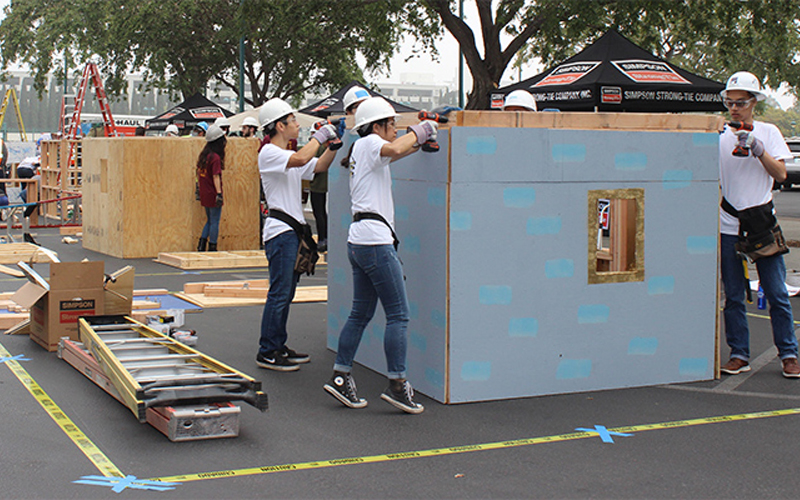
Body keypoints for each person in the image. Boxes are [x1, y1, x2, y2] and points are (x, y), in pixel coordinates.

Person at [322, 97, 437, 414]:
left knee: (360, 314)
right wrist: (422, 128)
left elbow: (400, 152)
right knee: (398, 315)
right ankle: (398, 385)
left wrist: (420, 140)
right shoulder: (371, 143)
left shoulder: (365, 150)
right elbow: (398, 148)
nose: (395, 130)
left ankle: (341, 377)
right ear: (376, 126)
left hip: (360, 241)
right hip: (375, 243)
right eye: (392, 125)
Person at [718, 71, 800, 378]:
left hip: (762, 224)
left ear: (754, 103)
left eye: (741, 102)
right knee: (734, 294)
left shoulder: (768, 132)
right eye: (730, 102)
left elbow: (780, 175)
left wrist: (758, 149)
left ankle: (788, 354)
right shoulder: (720, 134)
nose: (735, 107)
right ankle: (739, 353)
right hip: (729, 223)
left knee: (777, 292)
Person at [256, 97, 339, 371]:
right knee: (280, 292)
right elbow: (304, 157)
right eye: (292, 121)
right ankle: (267, 350)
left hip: (291, 232)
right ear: (279, 125)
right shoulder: (269, 153)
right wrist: (320, 135)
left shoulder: (287, 156)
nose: (296, 126)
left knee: (287, 292)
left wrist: (332, 145)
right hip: (280, 233)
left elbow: (318, 166)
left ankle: (278, 345)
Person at [196, 124, 227, 252]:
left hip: (204, 192)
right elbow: (216, 176)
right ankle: (212, 246)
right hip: (212, 193)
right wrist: (219, 194)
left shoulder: (204, 155)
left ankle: (201, 245)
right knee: (215, 221)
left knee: (209, 220)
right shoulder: (215, 158)